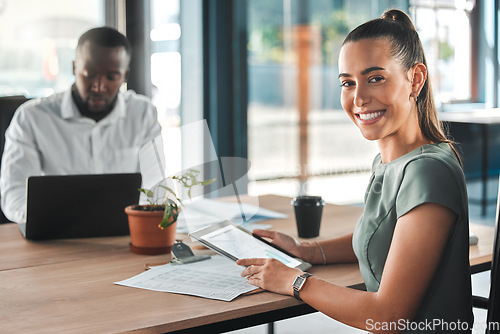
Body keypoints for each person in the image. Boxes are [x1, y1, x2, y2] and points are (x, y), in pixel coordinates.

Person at [237, 9, 473, 333]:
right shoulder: (392, 162)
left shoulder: (428, 172)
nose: (359, 98)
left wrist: (294, 280)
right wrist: (305, 251)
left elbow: (389, 316)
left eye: (375, 78)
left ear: (415, 79)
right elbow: (382, 240)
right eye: (348, 83)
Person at [0, 27, 161, 223]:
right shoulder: (31, 118)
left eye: (111, 77)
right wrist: (46, 220)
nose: (99, 86)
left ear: (125, 76)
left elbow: (155, 186)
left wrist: (141, 215)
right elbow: (14, 195)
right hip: (56, 234)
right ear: (75, 68)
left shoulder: (143, 113)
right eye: (89, 74)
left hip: (124, 233)